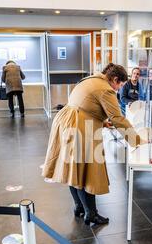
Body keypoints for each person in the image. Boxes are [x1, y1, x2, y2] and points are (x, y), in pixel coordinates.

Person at [42, 63, 142, 225]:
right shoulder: (106, 89)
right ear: (115, 79)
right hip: (78, 127)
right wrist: (137, 141)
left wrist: (102, 123)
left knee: (73, 169)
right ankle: (91, 213)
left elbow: (86, 105)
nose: (118, 89)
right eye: (120, 85)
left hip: (66, 121)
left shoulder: (89, 80)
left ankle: (80, 207)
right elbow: (118, 118)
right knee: (85, 171)